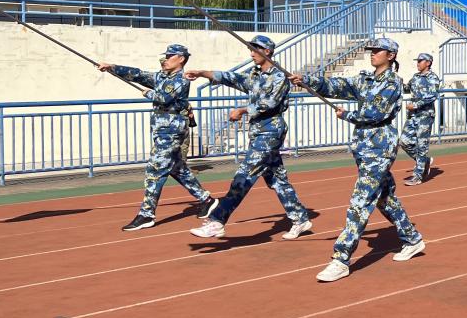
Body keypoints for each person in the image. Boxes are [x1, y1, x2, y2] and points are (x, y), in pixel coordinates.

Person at [292, 38, 425, 283]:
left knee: (360, 202)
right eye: (371, 50)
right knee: (385, 199)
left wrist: (347, 115)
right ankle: (412, 239)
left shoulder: (393, 83)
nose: (372, 54)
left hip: (380, 149)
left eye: (377, 51)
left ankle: (341, 258)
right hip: (364, 148)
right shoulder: (365, 79)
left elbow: (376, 113)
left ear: (391, 55)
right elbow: (337, 86)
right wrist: (308, 81)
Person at [187, 35, 312, 240]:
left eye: (255, 49)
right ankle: (300, 218)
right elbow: (231, 78)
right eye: (251, 49)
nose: (252, 53)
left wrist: (243, 110)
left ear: (267, 51)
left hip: (270, 131)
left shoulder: (279, 77)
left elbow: (269, 103)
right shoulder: (254, 74)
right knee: (277, 179)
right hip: (258, 131)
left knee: (244, 175)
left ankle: (217, 220)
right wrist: (202, 73)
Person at [99, 44, 217, 231]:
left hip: (171, 130)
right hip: (161, 130)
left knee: (154, 170)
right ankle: (206, 199)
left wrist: (149, 93)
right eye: (165, 56)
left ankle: (146, 214)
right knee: (177, 169)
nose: (165, 59)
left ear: (181, 59)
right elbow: (138, 74)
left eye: (170, 56)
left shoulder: (182, 79)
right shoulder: (162, 77)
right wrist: (112, 68)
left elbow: (163, 98)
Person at [400, 52, 442, 185]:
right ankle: (425, 161)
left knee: (421, 145)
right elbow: (407, 88)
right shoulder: (415, 77)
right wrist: (397, 82)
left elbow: (432, 96)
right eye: (417, 61)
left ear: (428, 63)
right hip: (413, 116)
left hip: (425, 115)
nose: (417, 63)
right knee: (404, 141)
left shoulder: (433, 78)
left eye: (420, 61)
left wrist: (416, 105)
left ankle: (418, 176)